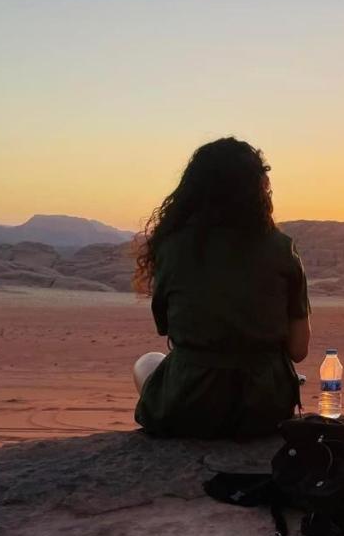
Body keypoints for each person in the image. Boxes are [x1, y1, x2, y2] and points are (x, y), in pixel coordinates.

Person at [131, 138, 311, 439]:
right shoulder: (281, 248)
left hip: (190, 405)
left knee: (148, 362)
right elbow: (298, 350)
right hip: (264, 408)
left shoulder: (173, 247)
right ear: (259, 188)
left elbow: (165, 328)